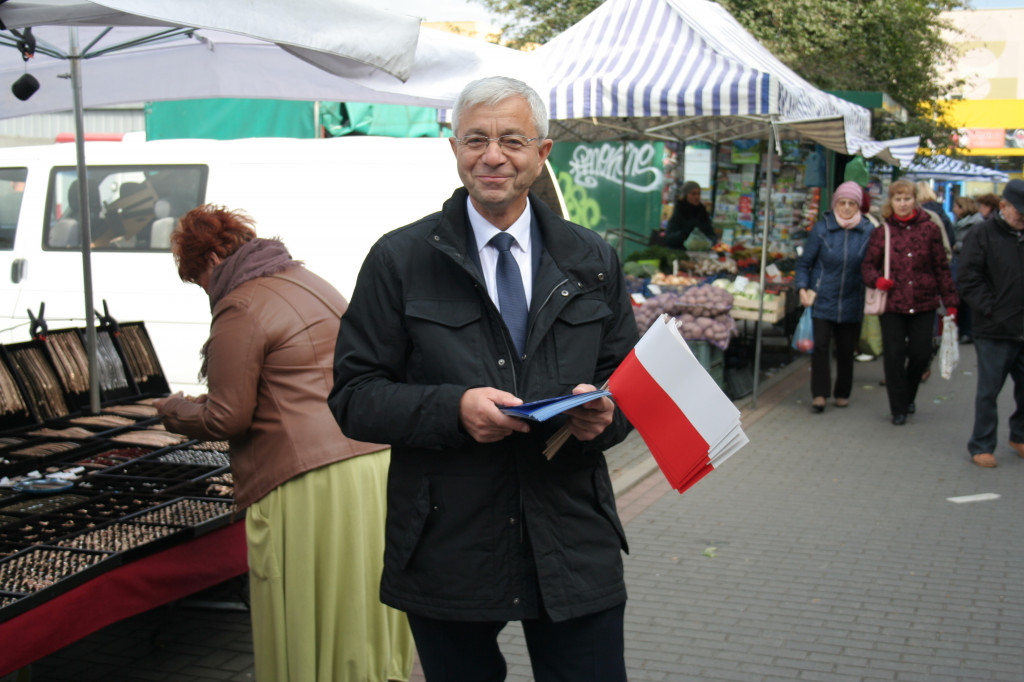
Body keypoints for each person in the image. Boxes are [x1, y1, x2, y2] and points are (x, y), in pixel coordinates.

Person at [329, 76, 638, 682]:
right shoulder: (400, 259)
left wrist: (606, 418)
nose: (492, 155)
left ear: (542, 152)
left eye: (511, 140)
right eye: (476, 139)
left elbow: (624, 385)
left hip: (571, 532)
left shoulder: (591, 258)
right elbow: (353, 397)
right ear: (453, 148)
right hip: (450, 537)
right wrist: (454, 410)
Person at [154, 205, 414, 682]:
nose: (205, 290)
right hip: (369, 459)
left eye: (199, 279)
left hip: (308, 477)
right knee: (358, 598)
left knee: (309, 600)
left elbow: (226, 415)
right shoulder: (308, 279)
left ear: (212, 256)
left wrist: (172, 410)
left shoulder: (242, 304)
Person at [861, 179, 958, 426]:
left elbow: (941, 267)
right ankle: (898, 408)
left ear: (915, 200)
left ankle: (909, 394)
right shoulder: (882, 231)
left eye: (907, 199)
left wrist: (951, 302)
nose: (902, 204)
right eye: (897, 199)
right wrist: (877, 280)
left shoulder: (930, 229)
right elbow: (867, 265)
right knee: (893, 356)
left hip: (924, 302)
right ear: (890, 202)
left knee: (920, 354)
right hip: (892, 304)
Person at [956, 179, 1024, 468]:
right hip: (994, 328)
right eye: (1019, 213)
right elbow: (968, 279)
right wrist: (991, 310)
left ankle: (1019, 435)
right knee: (989, 390)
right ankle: (981, 444)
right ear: (1004, 207)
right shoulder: (982, 234)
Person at [795, 181, 874, 412]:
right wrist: (802, 287)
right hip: (822, 297)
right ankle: (819, 394)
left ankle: (842, 392)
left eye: (851, 203)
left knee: (846, 349)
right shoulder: (822, 229)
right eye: (842, 203)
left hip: (852, 297)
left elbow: (872, 264)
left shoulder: (868, 231)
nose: (847, 208)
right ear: (835, 204)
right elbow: (805, 263)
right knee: (820, 345)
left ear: (858, 205)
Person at [951, 195, 983, 344]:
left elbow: (977, 245)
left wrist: (958, 246)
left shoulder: (977, 224)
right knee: (961, 299)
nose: (953, 209)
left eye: (956, 206)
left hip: (971, 266)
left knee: (967, 301)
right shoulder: (958, 223)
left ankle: (969, 331)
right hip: (960, 265)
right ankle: (964, 330)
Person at [664, 180, 717, 248]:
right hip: (681, 252)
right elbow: (669, 238)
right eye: (693, 194)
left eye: (698, 193)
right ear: (686, 195)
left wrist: (708, 241)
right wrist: (684, 234)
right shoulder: (679, 211)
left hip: (701, 253)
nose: (697, 197)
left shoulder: (702, 212)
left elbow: (711, 234)